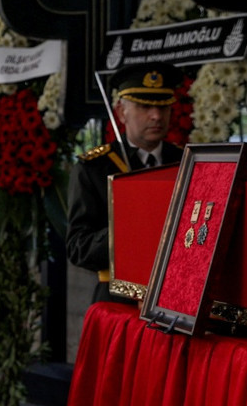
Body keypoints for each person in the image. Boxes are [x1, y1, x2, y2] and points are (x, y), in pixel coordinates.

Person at [66, 62, 184, 303]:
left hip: (177, 296)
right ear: (121, 112)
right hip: (119, 301)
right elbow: (78, 248)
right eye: (144, 106)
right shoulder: (93, 169)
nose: (156, 116)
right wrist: (127, 230)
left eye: (163, 106)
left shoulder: (186, 162)